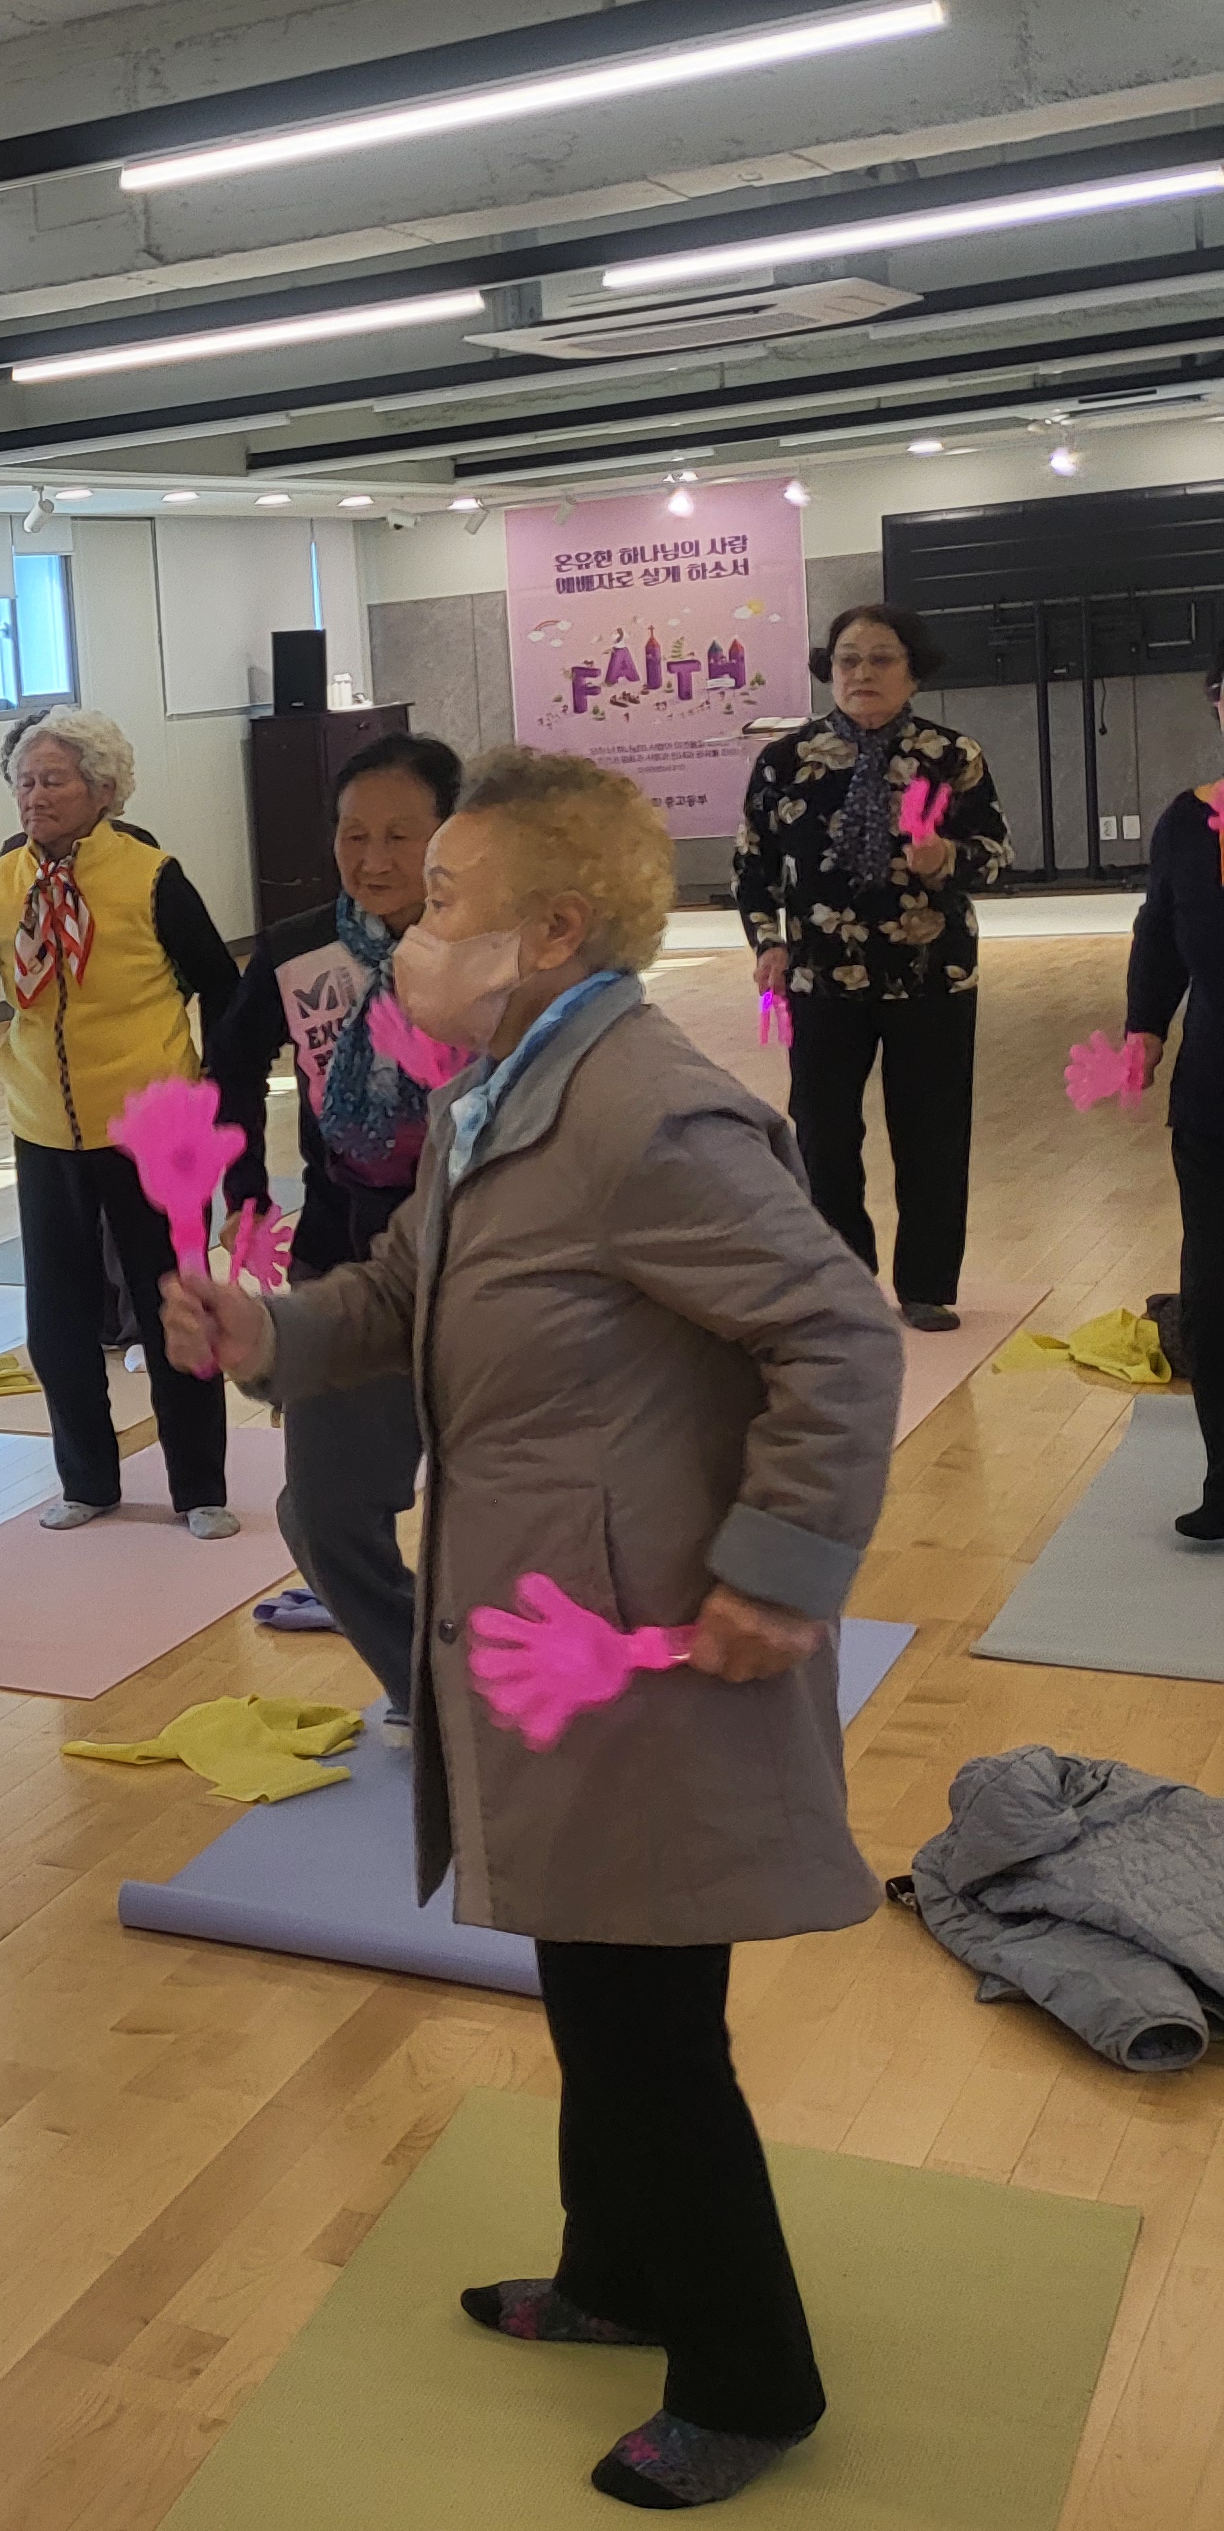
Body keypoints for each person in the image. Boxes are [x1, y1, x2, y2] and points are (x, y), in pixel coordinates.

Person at [164, 748, 897, 2513]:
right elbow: (406, 1289)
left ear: (555, 931)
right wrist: (269, 1335)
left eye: (445, 901)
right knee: (592, 1972)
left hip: (646, 1639)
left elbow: (840, 1337)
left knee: (652, 2026)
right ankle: (617, 2273)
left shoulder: (648, 1115)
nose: (409, 928)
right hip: (554, 1629)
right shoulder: (499, 1089)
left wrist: (777, 1572)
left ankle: (751, 2380)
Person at [0, 706, 247, 1534]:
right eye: (24, 782)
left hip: (153, 1125)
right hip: (44, 1127)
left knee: (175, 1308)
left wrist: (213, 1085)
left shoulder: (151, 875)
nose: (34, 796)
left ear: (102, 789)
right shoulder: (2, 881)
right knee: (57, 1323)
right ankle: (88, 1480)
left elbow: (222, 983)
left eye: (53, 780)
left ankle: (200, 1489)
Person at [209, 731, 463, 1701]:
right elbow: (229, 1064)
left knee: (511, 1524)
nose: (374, 858)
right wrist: (244, 1191)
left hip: (482, 1263)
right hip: (344, 1260)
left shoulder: (490, 947)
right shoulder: (299, 948)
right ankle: (430, 1694)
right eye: (354, 835)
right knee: (320, 1514)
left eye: (401, 834)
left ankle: (506, 1715)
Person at [734, 602, 1009, 1329]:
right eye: (848, 659)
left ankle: (926, 1285)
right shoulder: (785, 762)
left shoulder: (950, 755)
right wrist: (767, 943)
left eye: (881, 658)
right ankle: (844, 1279)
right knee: (823, 1136)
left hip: (932, 972)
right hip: (820, 974)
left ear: (914, 671)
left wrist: (944, 857)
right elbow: (752, 866)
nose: (862, 673)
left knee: (932, 1132)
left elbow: (995, 855)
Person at [1125, 647, 1224, 1543]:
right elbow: (1159, 929)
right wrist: (1145, 1027)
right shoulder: (1189, 821)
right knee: (1214, 1282)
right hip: (1214, 1088)